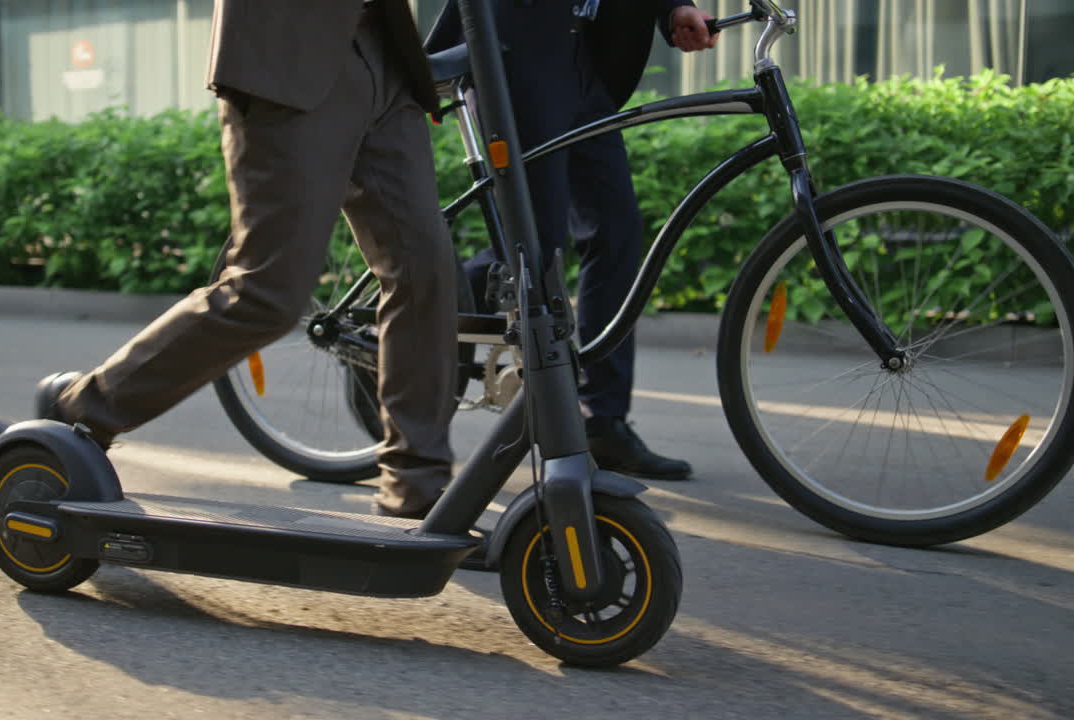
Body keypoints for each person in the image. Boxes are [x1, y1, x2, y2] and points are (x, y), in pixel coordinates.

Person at [35, 0, 459, 520]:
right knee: (267, 294)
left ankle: (417, 490)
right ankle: (84, 407)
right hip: (286, 54)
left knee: (426, 273)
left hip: (385, 56)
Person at [425, 0, 719, 481]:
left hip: (589, 57)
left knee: (616, 231)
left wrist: (673, 9)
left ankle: (601, 418)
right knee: (533, 247)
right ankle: (411, 316)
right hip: (520, 52)